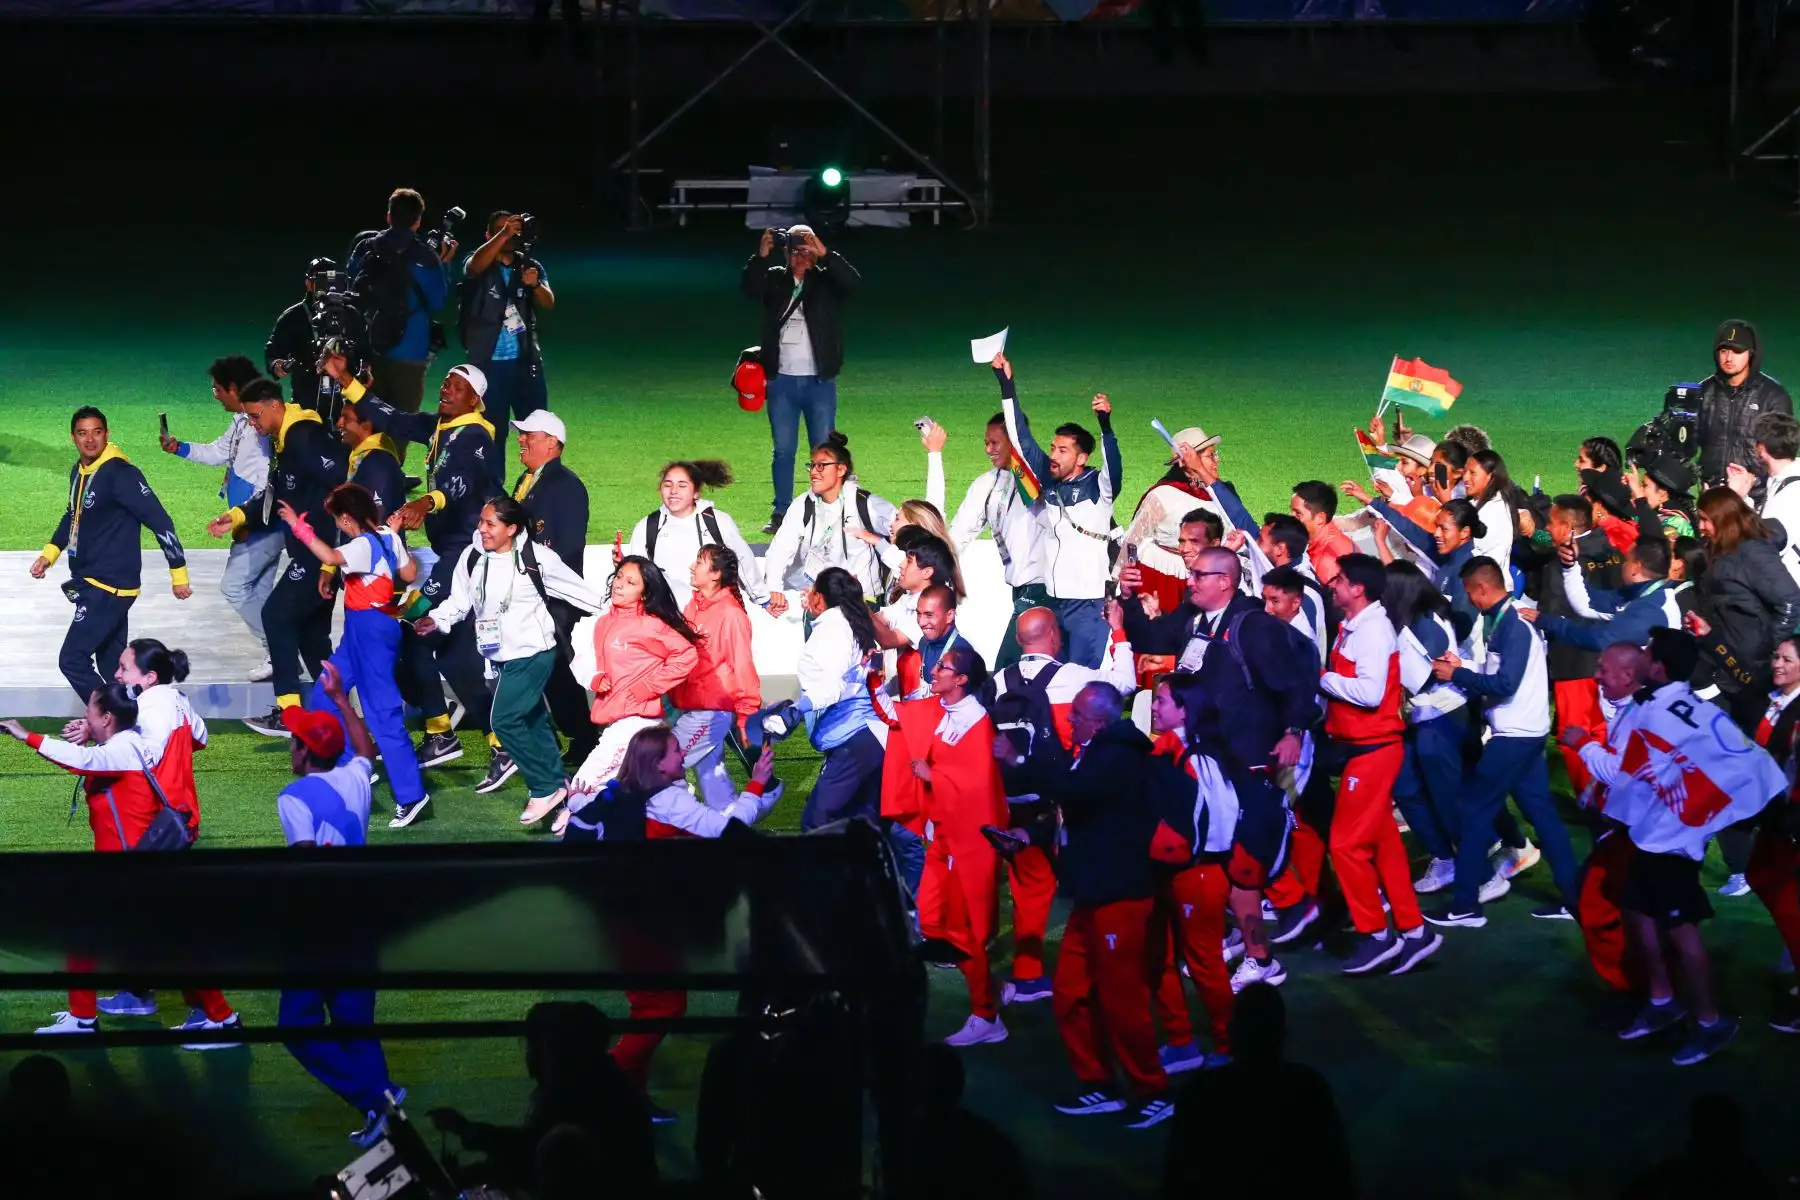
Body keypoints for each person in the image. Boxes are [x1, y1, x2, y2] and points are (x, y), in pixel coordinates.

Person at [563, 727, 782, 1119]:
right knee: (662, 1005)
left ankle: (628, 1094)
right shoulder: (668, 800)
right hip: (642, 925)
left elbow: (585, 808)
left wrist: (575, 797)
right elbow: (726, 830)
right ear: (658, 764)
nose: (682, 755)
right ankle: (613, 1084)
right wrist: (756, 785)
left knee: (652, 1002)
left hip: (619, 919)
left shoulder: (617, 790)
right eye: (675, 751)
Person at [2, 686, 239, 1044]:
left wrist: (27, 736)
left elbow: (81, 761)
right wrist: (89, 735)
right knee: (170, 945)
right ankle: (209, 1015)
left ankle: (219, 1019)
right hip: (134, 869)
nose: (85, 715)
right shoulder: (126, 744)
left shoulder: (123, 749)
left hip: (131, 872)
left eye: (90, 710)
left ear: (107, 717)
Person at [1606, 629, 1783, 1064]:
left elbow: (1624, 774)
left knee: (1681, 931)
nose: (1641, 656)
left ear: (1658, 667)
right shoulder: (1685, 708)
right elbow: (1747, 759)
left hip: (1673, 844)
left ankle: (1710, 1020)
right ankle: (1663, 1000)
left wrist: (1583, 747)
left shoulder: (1660, 716)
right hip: (1653, 837)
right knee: (1639, 914)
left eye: (1647, 652)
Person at [329, 356, 503, 785]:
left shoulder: (476, 436)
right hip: (452, 553)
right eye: (445, 383)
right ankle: (474, 737)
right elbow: (394, 418)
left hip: (464, 555)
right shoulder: (443, 428)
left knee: (413, 627)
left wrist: (428, 501)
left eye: (456, 387)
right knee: (451, 653)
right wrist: (347, 380)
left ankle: (454, 735)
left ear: (475, 400)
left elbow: (462, 480)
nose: (445, 390)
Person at [273, 664, 407, 1147]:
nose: (290, 748)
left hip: (321, 927)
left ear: (305, 751)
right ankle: (384, 1115)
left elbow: (306, 865)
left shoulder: (293, 798)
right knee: (355, 1024)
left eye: (294, 742)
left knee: (296, 1026)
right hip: (362, 921)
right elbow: (366, 750)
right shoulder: (355, 778)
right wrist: (339, 698)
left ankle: (377, 1097)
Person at [1170, 548, 1317, 985]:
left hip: (1250, 759)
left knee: (1241, 862)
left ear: (1225, 581)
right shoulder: (1201, 624)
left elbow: (1294, 681)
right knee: (1225, 857)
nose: (1190, 580)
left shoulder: (1251, 626)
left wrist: (1293, 731)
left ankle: (1271, 939)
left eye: (1199, 574)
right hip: (1217, 758)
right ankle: (1248, 940)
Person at [419, 497, 606, 828]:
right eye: (481, 521)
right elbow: (459, 601)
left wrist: (623, 609)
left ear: (512, 529)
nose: (482, 529)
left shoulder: (538, 558)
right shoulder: (473, 556)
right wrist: (437, 619)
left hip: (534, 653)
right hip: (499, 657)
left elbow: (583, 595)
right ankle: (562, 793)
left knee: (504, 721)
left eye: (490, 524)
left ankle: (544, 788)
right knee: (533, 722)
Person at [987, 605, 1137, 1002]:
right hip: (1069, 799)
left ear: (1019, 640)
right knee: (1092, 885)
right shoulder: (1075, 678)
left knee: (1028, 888)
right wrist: (1118, 631)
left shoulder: (999, 681)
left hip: (1017, 798)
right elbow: (1126, 683)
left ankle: (1027, 973)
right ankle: (1105, 966)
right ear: (1054, 635)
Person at [1425, 558, 1581, 928]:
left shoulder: (1514, 625)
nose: (1468, 600)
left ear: (1482, 588)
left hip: (1514, 737)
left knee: (1474, 811)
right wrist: (1463, 666)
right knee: (1543, 817)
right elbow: (1502, 674)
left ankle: (1465, 904)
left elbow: (1505, 684)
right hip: (1526, 733)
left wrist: (1457, 674)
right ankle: (1576, 900)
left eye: (1469, 592)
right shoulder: (1506, 620)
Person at [1306, 554, 1443, 975]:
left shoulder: (1372, 631)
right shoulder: (1358, 626)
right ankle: (1414, 931)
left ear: (1358, 588)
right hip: (1366, 748)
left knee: (1346, 845)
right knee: (1384, 847)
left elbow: (1369, 693)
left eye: (1340, 580)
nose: (1332, 585)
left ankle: (1375, 934)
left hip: (1373, 750)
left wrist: (1322, 679)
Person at [1049, 682, 1172, 1130]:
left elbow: (1077, 792)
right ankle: (1098, 1082)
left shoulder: (1117, 757)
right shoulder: (1103, 752)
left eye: (1077, 715)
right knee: (1069, 991)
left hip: (1118, 893)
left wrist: (1022, 763)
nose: (1070, 721)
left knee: (1123, 999)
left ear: (1098, 721)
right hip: (1095, 891)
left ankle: (1152, 1090)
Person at [880, 644, 1009, 1046]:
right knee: (933, 921)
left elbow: (978, 790)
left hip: (965, 845)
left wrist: (932, 776)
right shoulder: (946, 711)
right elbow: (896, 715)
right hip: (942, 838)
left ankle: (986, 1014)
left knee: (960, 930)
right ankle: (991, 988)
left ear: (962, 680)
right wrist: (871, 678)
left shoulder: (977, 723)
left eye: (943, 668)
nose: (934, 672)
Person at [282, 483, 430, 828]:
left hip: (372, 633)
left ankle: (412, 796)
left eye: (338, 520)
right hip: (361, 631)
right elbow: (410, 574)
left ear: (347, 518)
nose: (339, 526)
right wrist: (395, 538)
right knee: (325, 693)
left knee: (382, 715)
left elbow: (330, 557)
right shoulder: (386, 535)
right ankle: (355, 762)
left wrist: (298, 528)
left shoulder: (363, 543)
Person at [206, 380, 347, 735]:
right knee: (313, 640)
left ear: (273, 405)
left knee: (275, 616)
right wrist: (237, 516)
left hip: (318, 556)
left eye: (255, 416)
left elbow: (343, 475)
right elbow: (276, 494)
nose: (253, 424)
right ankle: (341, 712)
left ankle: (289, 712)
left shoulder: (303, 435)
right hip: (317, 554)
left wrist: (330, 558)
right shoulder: (285, 439)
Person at [33, 406, 193, 701]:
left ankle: (110, 715)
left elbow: (160, 521)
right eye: (82, 433)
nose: (90, 440)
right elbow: (73, 515)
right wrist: (49, 555)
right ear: (73, 437)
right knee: (113, 667)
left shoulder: (121, 474)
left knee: (72, 659)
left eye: (96, 432)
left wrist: (178, 574)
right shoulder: (80, 471)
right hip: (95, 582)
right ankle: (144, 714)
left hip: (108, 586)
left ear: (107, 434)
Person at [1160, 984, 1355, 1199]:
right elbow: (1338, 1173)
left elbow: (1177, 1180)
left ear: (1232, 1032)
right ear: (1283, 1034)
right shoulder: (1310, 1088)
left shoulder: (1199, 1092)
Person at [995, 351, 1123, 669]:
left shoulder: (1099, 488)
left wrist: (1105, 425)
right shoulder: (1049, 479)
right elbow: (1020, 439)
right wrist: (1006, 385)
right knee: (1051, 676)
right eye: (1053, 447)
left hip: (1087, 603)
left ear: (1081, 458)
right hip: (1053, 600)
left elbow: (1114, 466)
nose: (1054, 455)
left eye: (1063, 450)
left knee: (1081, 677)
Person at [163, 355, 279, 681]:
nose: (214, 395)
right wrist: (179, 447)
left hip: (258, 525)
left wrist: (246, 521)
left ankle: (281, 648)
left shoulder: (260, 429)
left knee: (234, 587)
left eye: (217, 389)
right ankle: (278, 657)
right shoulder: (243, 421)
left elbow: (267, 482)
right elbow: (218, 452)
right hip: (252, 524)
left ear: (233, 388)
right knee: (259, 593)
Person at [563, 556, 701, 829]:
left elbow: (686, 655)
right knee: (646, 792)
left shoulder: (649, 624)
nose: (619, 585)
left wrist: (647, 687)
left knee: (582, 786)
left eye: (630, 582)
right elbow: (587, 661)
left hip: (635, 724)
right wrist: (594, 679)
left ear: (645, 592)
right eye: (619, 577)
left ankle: (572, 829)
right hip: (617, 720)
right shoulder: (603, 622)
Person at [742, 223, 860, 530]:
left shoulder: (826, 282)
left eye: (806, 250)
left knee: (824, 451)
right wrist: (761, 256)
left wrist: (825, 253)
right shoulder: (775, 280)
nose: (800, 256)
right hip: (781, 381)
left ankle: (827, 509)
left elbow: (852, 282)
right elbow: (750, 289)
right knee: (783, 450)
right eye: (795, 250)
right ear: (786, 253)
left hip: (819, 381)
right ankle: (781, 512)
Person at [1144, 673, 1234, 1073]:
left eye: (1162, 700)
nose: (1153, 706)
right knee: (1158, 956)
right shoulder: (1169, 750)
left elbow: (1221, 823)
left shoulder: (1198, 758)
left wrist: (1186, 854)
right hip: (1171, 870)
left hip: (1198, 873)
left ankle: (1229, 1045)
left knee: (1204, 963)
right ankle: (1181, 1042)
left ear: (1184, 710)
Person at [1561, 641, 1653, 999]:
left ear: (1628, 675)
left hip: (1635, 835)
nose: (1596, 675)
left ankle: (1638, 989)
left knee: (1608, 907)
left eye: (1603, 669)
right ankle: (1640, 987)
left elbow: (1622, 773)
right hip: (1626, 831)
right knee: (1606, 904)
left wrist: (1584, 745)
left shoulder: (1640, 714)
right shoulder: (1631, 708)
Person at [508, 409, 595, 767]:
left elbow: (570, 547)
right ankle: (573, 733)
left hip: (553, 594)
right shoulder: (528, 479)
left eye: (529, 435)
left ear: (552, 443)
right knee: (545, 665)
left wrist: (542, 581)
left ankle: (583, 736)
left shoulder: (566, 485)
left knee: (553, 665)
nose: (520, 439)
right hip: (530, 590)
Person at [947, 403, 1048, 668]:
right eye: (986, 443)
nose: (988, 449)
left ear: (1014, 440)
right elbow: (959, 533)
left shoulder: (1041, 478)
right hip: (1019, 590)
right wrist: (935, 564)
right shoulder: (985, 484)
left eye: (994, 443)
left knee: (1008, 666)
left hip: (1045, 589)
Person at [460, 211, 554, 485]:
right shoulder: (478, 262)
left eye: (513, 230)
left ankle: (539, 490)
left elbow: (548, 302)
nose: (510, 235)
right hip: (488, 366)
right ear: (489, 235)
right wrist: (504, 234)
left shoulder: (529, 266)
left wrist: (535, 285)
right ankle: (492, 494)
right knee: (491, 434)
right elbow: (473, 267)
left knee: (538, 431)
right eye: (501, 230)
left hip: (525, 363)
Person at [347, 187, 456, 424]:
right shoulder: (426, 256)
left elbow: (351, 288)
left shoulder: (366, 247)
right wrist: (445, 263)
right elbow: (437, 303)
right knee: (401, 426)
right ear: (418, 221)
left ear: (388, 216)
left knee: (366, 424)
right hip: (410, 352)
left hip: (368, 351)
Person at [1120, 427, 1256, 615]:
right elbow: (1132, 540)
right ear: (1188, 460)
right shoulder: (1163, 494)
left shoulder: (1224, 494)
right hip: (1164, 581)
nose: (1217, 461)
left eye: (1215, 455)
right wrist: (1118, 585)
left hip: (1214, 578)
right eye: (1210, 456)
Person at [670, 545, 763, 809]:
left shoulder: (730, 614)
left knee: (661, 766)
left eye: (699, 562)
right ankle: (732, 824)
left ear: (715, 574)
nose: (692, 566)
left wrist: (745, 717)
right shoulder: (694, 606)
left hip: (709, 714)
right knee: (716, 791)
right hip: (695, 708)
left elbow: (743, 666)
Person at [763, 432, 897, 606]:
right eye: (812, 465)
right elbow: (781, 547)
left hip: (862, 603)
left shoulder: (865, 503)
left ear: (841, 469)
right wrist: (773, 587)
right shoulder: (803, 504)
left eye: (821, 466)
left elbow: (906, 529)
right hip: (819, 603)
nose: (813, 472)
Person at [623, 459, 766, 611]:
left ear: (696, 493)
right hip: (667, 615)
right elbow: (637, 575)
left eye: (682, 486)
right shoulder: (646, 526)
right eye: (667, 485)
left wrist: (762, 598)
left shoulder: (718, 521)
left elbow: (743, 561)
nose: (673, 491)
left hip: (713, 613)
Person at [1697, 318, 1792, 490]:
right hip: (1712, 494)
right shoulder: (1703, 391)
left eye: (1737, 351)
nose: (1729, 358)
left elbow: (1783, 456)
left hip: (1757, 496)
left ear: (1751, 353)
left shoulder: (1773, 396)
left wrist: (1753, 481)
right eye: (1724, 351)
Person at [1737, 410, 1800, 587]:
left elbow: (1766, 540)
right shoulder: (1782, 480)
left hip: (1789, 589)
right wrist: (1743, 496)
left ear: (1762, 449)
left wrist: (1733, 499)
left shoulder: (1791, 491)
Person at [1289, 481, 1355, 587]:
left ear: (1320, 518)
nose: (1291, 519)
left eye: (1298, 514)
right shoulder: (1329, 534)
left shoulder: (1328, 564)